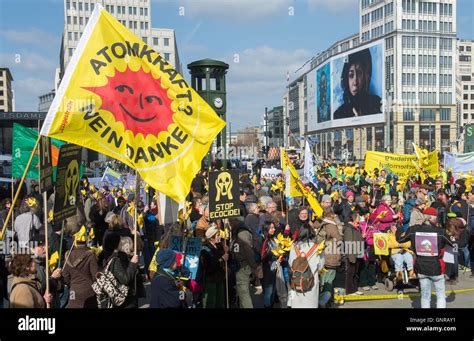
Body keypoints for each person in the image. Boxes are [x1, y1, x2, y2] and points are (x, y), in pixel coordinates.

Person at [397, 208, 451, 308]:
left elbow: (400, 240)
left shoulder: (414, 229)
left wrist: (398, 229)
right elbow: (453, 244)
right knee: (440, 295)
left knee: (425, 296)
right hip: (436, 268)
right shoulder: (440, 231)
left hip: (421, 267)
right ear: (435, 218)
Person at [333, 48, 382, 119]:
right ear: (346, 79)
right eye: (351, 75)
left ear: (366, 75)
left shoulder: (376, 103)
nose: (355, 82)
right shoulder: (339, 114)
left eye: (359, 73)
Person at [287, 222, 325, 308]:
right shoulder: (318, 248)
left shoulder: (294, 247)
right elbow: (320, 266)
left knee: (297, 304)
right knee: (310, 304)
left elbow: (290, 263)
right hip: (310, 281)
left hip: (296, 280)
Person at [62, 227, 99, 308]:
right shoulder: (91, 255)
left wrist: (72, 284)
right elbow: (95, 275)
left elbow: (65, 275)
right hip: (89, 292)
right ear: (85, 241)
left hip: (74, 292)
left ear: (74, 242)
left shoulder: (68, 255)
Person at [103, 233, 140, 308]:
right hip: (123, 298)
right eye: (119, 241)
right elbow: (125, 279)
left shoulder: (112, 256)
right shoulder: (115, 260)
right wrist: (133, 263)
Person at [230, 218, 258, 308]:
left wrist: (253, 266)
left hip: (243, 266)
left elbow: (248, 250)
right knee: (241, 294)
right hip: (240, 266)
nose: (229, 223)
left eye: (231, 221)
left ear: (236, 221)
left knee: (243, 294)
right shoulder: (236, 231)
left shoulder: (242, 232)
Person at [199, 224, 227, 308]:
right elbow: (208, 267)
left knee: (220, 302)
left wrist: (227, 252)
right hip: (210, 280)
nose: (219, 237)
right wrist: (221, 259)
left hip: (219, 278)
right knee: (210, 302)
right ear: (212, 237)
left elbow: (227, 259)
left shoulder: (219, 246)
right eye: (217, 235)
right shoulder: (205, 249)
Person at [343, 212, 364, 295]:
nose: (359, 219)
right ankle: (349, 290)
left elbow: (359, 240)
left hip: (357, 254)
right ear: (353, 218)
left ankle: (354, 289)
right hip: (352, 255)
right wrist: (352, 257)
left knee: (355, 273)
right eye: (358, 217)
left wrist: (363, 237)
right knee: (350, 273)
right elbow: (349, 244)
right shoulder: (349, 229)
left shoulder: (356, 228)